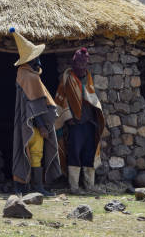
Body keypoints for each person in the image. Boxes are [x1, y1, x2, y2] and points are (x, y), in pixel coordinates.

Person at [10, 27, 61, 196]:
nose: (39, 61)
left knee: (26, 151)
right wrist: (43, 126)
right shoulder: (30, 77)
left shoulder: (22, 74)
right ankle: (37, 187)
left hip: (24, 120)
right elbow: (35, 104)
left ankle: (25, 187)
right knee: (36, 152)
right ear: (32, 59)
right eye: (36, 57)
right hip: (32, 123)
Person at [54, 48, 105, 193]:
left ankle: (89, 185)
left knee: (89, 152)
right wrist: (67, 117)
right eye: (80, 64)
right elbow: (61, 98)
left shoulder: (88, 78)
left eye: (85, 64)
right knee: (74, 152)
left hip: (89, 122)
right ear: (74, 63)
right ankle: (74, 186)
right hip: (74, 123)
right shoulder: (67, 77)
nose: (82, 67)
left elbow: (91, 96)